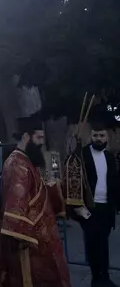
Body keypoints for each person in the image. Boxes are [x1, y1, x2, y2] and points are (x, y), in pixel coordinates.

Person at [0, 117, 71, 286]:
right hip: (26, 240)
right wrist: (24, 235)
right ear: (25, 137)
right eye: (38, 138)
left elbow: (36, 191)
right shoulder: (17, 164)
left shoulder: (27, 161)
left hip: (39, 236)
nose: (41, 143)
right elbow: (16, 203)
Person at [65, 122, 119, 287]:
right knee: (92, 244)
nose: (98, 139)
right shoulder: (82, 155)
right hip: (89, 208)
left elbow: (114, 182)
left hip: (106, 208)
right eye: (95, 135)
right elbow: (73, 180)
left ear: (107, 138)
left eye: (101, 136)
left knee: (103, 244)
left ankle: (105, 276)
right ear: (91, 137)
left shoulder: (109, 157)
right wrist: (78, 209)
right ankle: (96, 279)